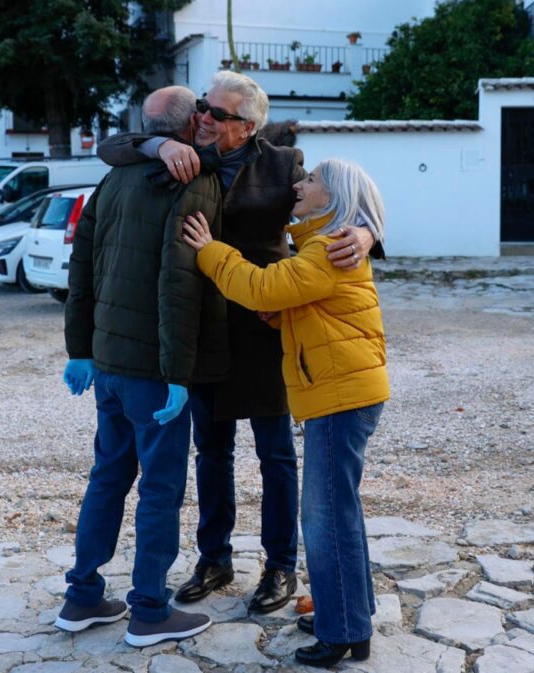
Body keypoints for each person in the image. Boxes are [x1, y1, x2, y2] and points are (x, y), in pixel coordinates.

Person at [98, 70, 381, 613]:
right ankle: (215, 558)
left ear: (249, 126)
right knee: (212, 453)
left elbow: (346, 201)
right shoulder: (184, 154)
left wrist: (368, 234)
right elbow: (113, 148)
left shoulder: (284, 164)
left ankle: (280, 566)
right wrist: (158, 144)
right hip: (204, 329)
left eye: (217, 113)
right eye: (202, 107)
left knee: (275, 455)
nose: (203, 118)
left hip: (266, 328)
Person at [181, 158, 389, 668]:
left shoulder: (326, 249)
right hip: (343, 393)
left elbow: (258, 285)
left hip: (340, 398)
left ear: (333, 195)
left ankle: (342, 633)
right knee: (339, 514)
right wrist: (286, 314)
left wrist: (210, 250)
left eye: (312, 180)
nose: (300, 184)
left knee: (325, 519)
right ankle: (350, 618)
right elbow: (314, 307)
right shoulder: (328, 245)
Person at [55, 85, 230, 648]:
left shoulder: (114, 176)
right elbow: (181, 284)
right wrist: (179, 374)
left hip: (108, 363)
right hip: (153, 371)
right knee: (159, 488)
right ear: (189, 124)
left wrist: (80, 349)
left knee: (107, 476)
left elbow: (81, 265)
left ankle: (82, 595)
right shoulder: (191, 180)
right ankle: (149, 610)